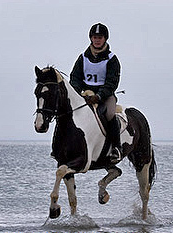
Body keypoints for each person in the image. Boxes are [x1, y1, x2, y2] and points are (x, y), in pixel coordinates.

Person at [70, 23, 122, 162]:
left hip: (105, 96)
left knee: (110, 114)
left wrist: (99, 96)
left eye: (100, 37)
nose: (97, 40)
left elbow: (112, 82)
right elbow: (75, 77)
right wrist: (78, 92)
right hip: (86, 95)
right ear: (91, 38)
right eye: (95, 37)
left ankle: (116, 147)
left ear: (105, 39)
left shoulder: (112, 59)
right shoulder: (83, 57)